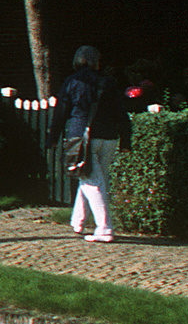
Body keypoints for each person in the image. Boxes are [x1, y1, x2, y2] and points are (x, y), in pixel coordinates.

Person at [55, 44, 132, 242]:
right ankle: (78, 221)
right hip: (109, 137)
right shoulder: (109, 82)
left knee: (90, 180)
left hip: (83, 136)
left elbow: (61, 112)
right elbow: (121, 113)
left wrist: (52, 137)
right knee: (95, 178)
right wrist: (126, 140)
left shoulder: (73, 82)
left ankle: (104, 228)